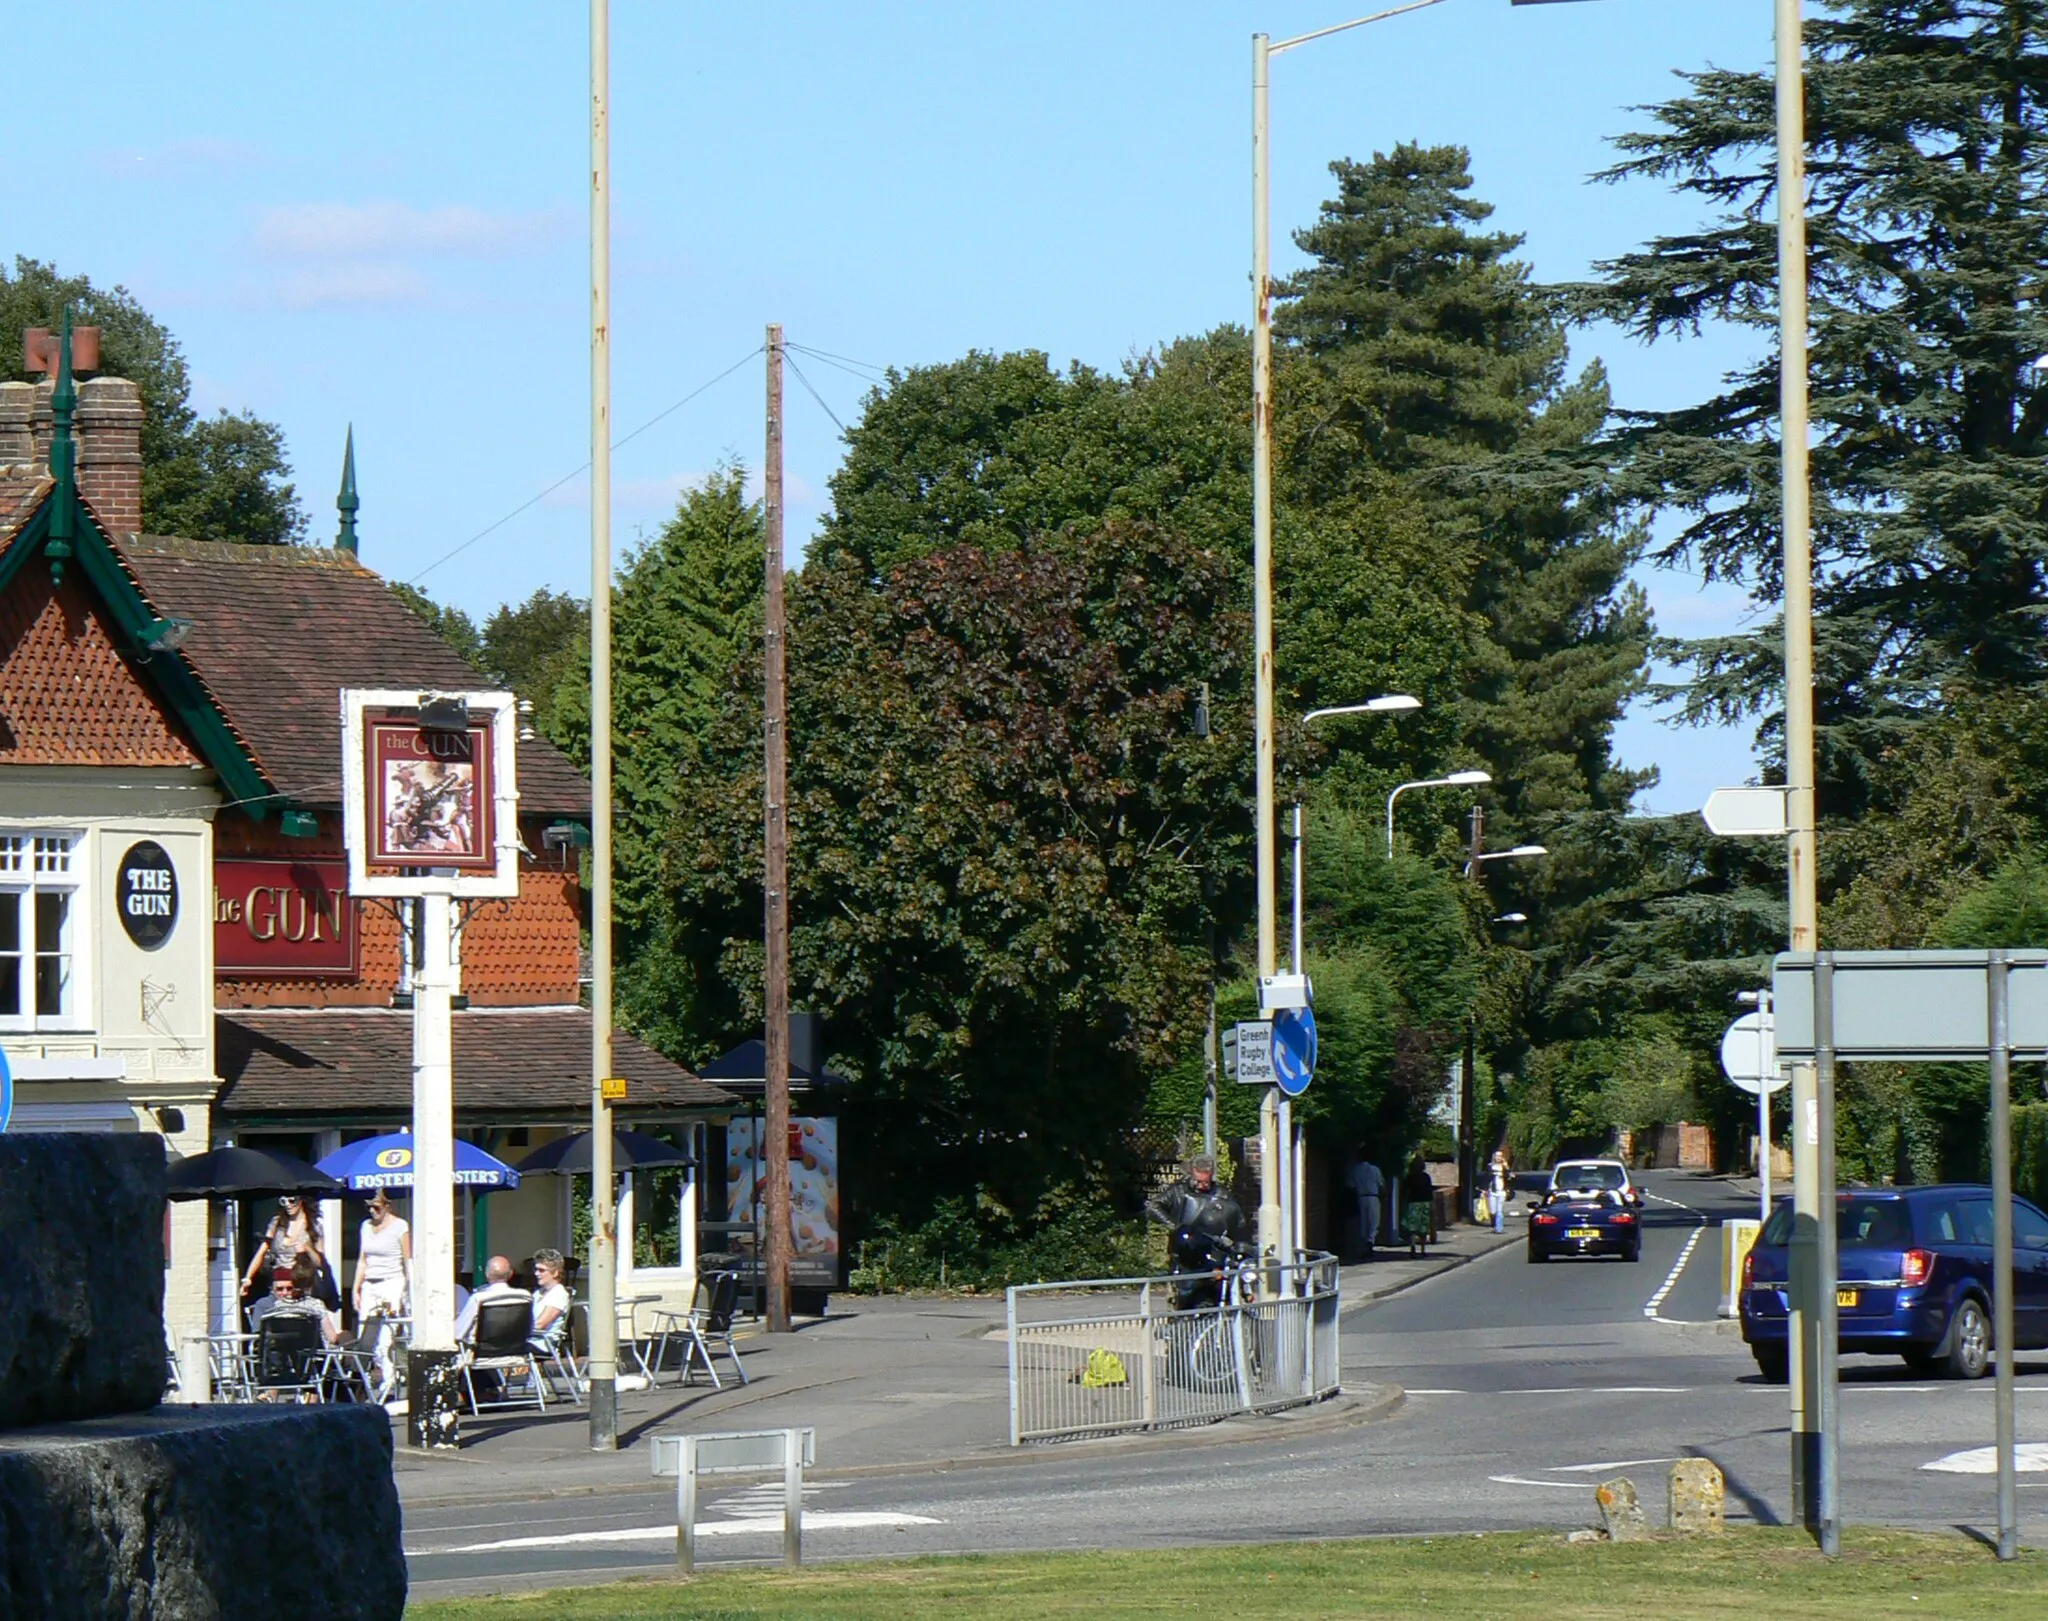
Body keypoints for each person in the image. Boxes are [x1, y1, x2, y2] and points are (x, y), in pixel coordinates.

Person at [1146, 1155, 1248, 1309]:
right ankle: (1178, 1326)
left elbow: (1237, 1222)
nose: (1201, 1186)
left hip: (1212, 1254)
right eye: (1198, 1181)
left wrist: (1232, 1244)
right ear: (1192, 1174)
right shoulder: (1178, 1191)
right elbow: (1154, 1207)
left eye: (1205, 1182)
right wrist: (1175, 1225)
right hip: (1184, 1254)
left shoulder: (1222, 1194)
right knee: (1182, 1297)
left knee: (1218, 1294)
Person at [352, 1190, 412, 1389]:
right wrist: (356, 1289)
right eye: (368, 1206)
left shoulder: (400, 1226)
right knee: (366, 1337)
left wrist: (408, 1291)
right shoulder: (365, 1226)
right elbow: (363, 1260)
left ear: (387, 1205)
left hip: (392, 1282)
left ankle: (389, 1380)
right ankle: (380, 1377)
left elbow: (407, 1260)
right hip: (370, 1283)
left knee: (385, 1339)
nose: (372, 1210)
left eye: (376, 1206)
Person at [243, 1193, 322, 1302]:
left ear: (301, 1200)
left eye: (291, 1201)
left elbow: (320, 1263)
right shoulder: (277, 1223)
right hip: (280, 1283)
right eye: (283, 1201)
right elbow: (261, 1252)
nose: (287, 1205)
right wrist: (248, 1277)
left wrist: (307, 1249)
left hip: (302, 1284)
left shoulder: (314, 1225)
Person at [453, 1254, 529, 1344]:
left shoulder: (479, 1299)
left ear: (487, 1274)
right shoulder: (524, 1296)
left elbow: (458, 1332)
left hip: (483, 1354)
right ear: (511, 1274)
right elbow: (529, 1328)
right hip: (516, 1353)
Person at [529, 1248, 573, 1353]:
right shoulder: (538, 1293)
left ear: (555, 1273)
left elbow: (540, 1325)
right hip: (529, 1341)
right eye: (536, 1270)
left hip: (543, 1344)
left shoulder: (559, 1294)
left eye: (541, 1270)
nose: (536, 1274)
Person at [1347, 1153, 1386, 1259]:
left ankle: (1364, 1244)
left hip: (1361, 1197)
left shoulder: (1356, 1170)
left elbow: (1351, 1186)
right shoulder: (1375, 1169)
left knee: (1363, 1222)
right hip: (1373, 1196)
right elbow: (1381, 1185)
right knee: (1374, 1221)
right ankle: (1370, 1242)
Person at [1399, 1157, 1436, 1256]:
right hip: (1425, 1204)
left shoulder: (1409, 1177)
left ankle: (1412, 1247)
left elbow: (1404, 1191)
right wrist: (1432, 1204)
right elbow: (1429, 1192)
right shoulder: (1426, 1177)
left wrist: (1403, 1202)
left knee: (1412, 1228)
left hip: (1413, 1204)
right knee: (1423, 1228)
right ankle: (1423, 1250)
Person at [1487, 1149, 1512, 1235]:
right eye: (1497, 1156)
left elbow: (1509, 1177)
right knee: (1492, 1211)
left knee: (1499, 1210)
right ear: (1494, 1157)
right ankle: (1494, 1225)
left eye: (1500, 1156)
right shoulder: (1490, 1166)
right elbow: (1487, 1178)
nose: (1499, 1157)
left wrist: (1506, 1167)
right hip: (1492, 1191)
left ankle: (1499, 1228)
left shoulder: (1504, 1167)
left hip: (1501, 1191)